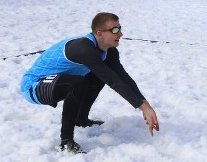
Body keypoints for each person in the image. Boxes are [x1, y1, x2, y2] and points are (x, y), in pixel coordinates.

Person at [20, 12, 159, 153]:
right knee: (79, 83)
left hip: (57, 80)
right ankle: (66, 141)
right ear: (99, 33)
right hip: (34, 86)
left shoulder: (109, 51)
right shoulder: (84, 49)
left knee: (97, 76)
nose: (120, 34)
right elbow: (113, 81)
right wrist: (143, 108)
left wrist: (145, 105)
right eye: (115, 30)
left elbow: (122, 77)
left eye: (120, 28)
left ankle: (81, 119)